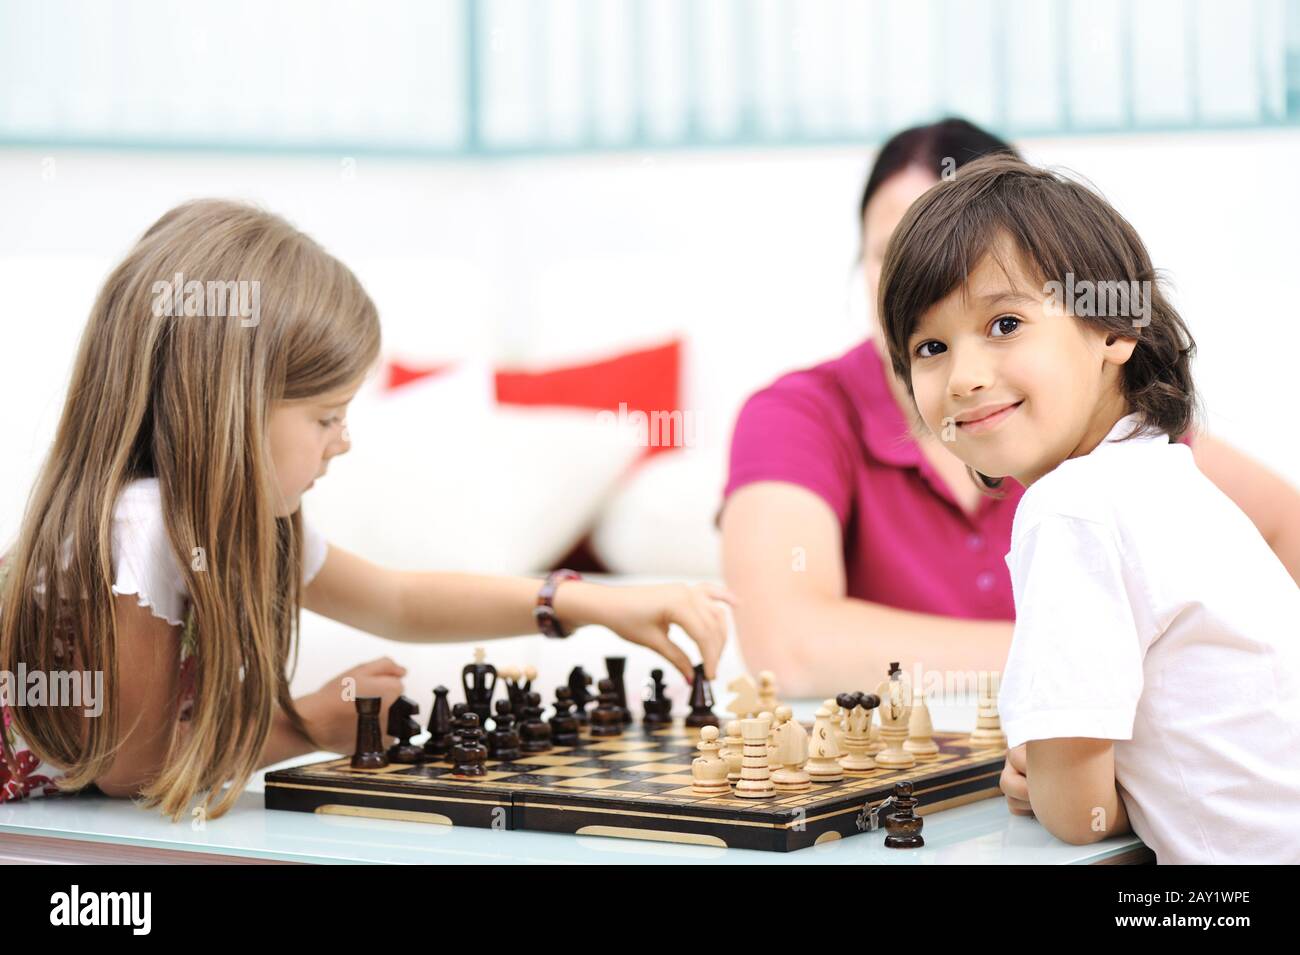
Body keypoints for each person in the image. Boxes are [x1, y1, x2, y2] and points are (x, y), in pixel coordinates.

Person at [0, 200, 732, 818]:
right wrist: (306, 725)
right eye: (325, 417)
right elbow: (136, 766)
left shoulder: (239, 526)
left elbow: (398, 599)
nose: (342, 442)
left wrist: (585, 603)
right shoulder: (144, 526)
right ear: (230, 408)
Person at [720, 118, 1300, 699]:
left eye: (1004, 321)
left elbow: (1283, 523)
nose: (929, 276)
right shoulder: (798, 414)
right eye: (895, 253)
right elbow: (788, 646)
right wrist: (1077, 657)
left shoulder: (1102, 428)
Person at [877, 153, 1300, 862]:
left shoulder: (1071, 509)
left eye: (1005, 323)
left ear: (1114, 328)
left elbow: (1080, 815)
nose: (965, 376)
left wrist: (1043, 779)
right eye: (930, 347)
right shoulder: (1168, 478)